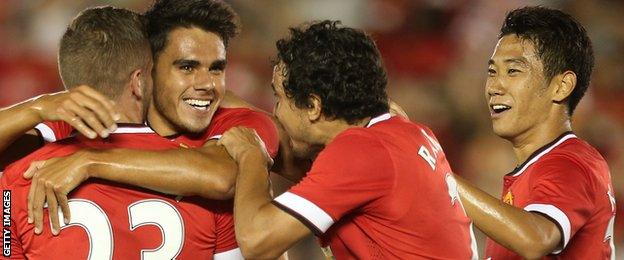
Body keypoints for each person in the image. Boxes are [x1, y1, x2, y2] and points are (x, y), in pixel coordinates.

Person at [0, 0, 279, 239]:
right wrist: (36, 108)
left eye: (217, 69)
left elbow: (222, 177)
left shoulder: (239, 120)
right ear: (148, 72)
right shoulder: (92, 121)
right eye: (186, 67)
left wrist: (89, 161)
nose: (207, 84)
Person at [217, 20, 478, 259]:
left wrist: (251, 154)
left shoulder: (360, 151)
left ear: (313, 106)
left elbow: (257, 241)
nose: (275, 111)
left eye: (279, 98)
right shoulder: (407, 133)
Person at [455, 6, 616, 259]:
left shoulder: (570, 163)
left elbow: (536, 239)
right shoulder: (535, 172)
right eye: (492, 72)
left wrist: (438, 175)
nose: (494, 87)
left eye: (513, 71)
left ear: (561, 86)